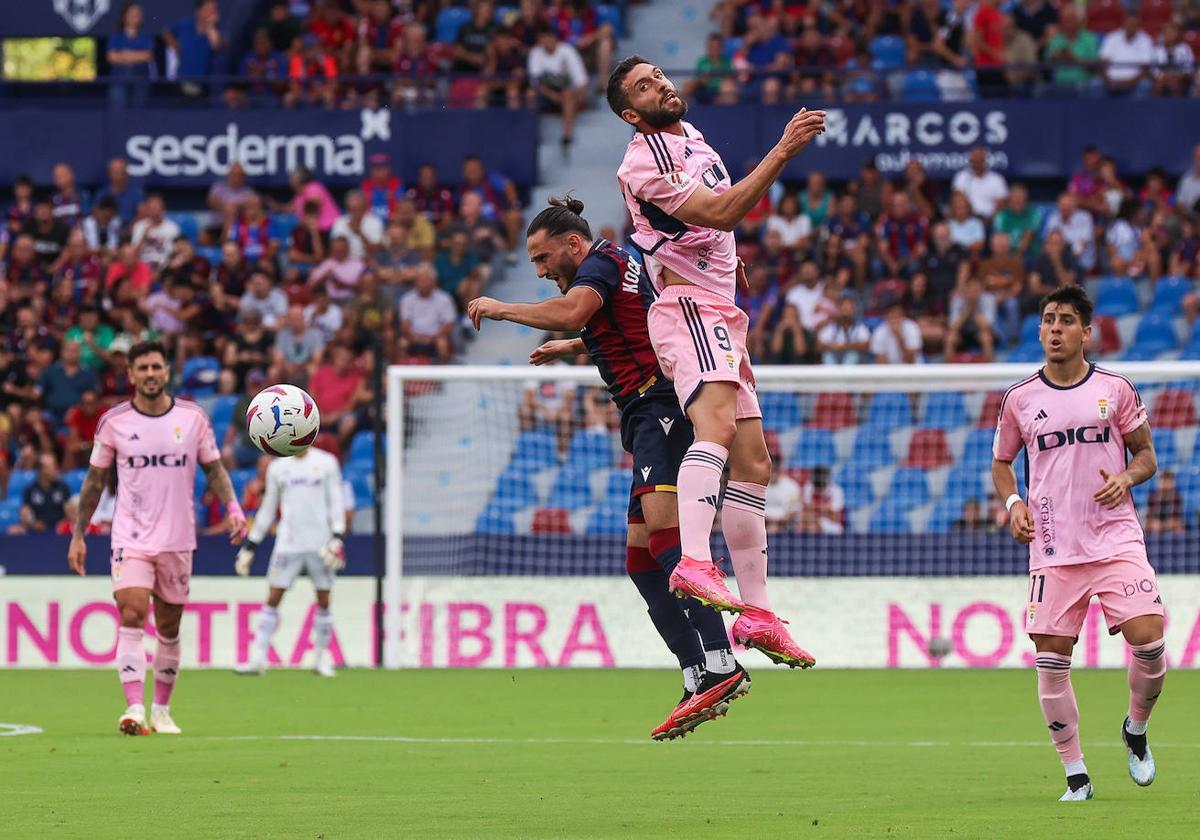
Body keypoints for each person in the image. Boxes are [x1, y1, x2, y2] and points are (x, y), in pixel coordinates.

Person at [467, 196, 749, 739]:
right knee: (642, 563)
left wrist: (503, 307)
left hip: (661, 408)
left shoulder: (598, 264)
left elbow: (576, 308)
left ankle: (721, 661)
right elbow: (635, 322)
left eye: (543, 258)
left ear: (573, 244)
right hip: (645, 413)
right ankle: (697, 672)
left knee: (669, 544)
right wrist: (575, 345)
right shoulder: (622, 263)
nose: (542, 270)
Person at [607, 55, 824, 666]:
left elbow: (708, 230)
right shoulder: (641, 160)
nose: (662, 85)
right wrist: (782, 150)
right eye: (645, 86)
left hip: (720, 308)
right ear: (631, 113)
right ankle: (696, 564)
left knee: (755, 461)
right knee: (718, 430)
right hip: (688, 309)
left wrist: (726, 261)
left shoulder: (694, 141)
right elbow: (722, 210)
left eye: (660, 76)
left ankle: (756, 615)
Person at [992, 285, 1164, 801]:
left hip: (1114, 539)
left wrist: (1128, 479)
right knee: (1050, 658)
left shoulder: (1116, 389)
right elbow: (1002, 463)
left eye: (1067, 321)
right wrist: (1013, 504)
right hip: (1052, 546)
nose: (1055, 329)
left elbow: (1147, 456)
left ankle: (1135, 728)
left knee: (1151, 640)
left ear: (1086, 331)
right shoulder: (1020, 399)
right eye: (1048, 320)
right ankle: (1077, 776)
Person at [68, 340, 247, 737]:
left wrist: (234, 509)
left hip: (178, 537)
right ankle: (134, 707)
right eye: (142, 368)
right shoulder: (113, 421)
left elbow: (215, 470)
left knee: (169, 626)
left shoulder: (193, 418)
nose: (150, 374)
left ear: (167, 372)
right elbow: (95, 480)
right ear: (130, 375)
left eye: (156, 367)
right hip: (130, 535)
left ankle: (162, 710)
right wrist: (79, 533)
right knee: (131, 612)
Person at [234, 444, 346, 678]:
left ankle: (320, 659)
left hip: (320, 542)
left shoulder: (326, 463)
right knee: (273, 597)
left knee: (324, 598)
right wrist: (251, 543)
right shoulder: (278, 467)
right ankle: (258, 659)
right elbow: (268, 508)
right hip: (288, 542)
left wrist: (337, 535)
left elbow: (336, 500)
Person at [107, 2, 154, 108]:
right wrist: (137, 56)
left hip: (140, 79)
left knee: (139, 113)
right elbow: (111, 57)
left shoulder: (146, 36)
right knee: (118, 112)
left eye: (138, 13)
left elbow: (147, 56)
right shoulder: (116, 36)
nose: (135, 15)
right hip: (119, 79)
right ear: (124, 16)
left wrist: (124, 54)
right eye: (132, 13)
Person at [9, 453, 70, 534]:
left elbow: (69, 512)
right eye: (51, 467)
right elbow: (25, 514)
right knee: (13, 531)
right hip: (38, 531)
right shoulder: (30, 490)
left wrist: (63, 523)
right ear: (41, 470)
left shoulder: (63, 488)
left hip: (60, 531)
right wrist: (32, 524)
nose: (55, 470)